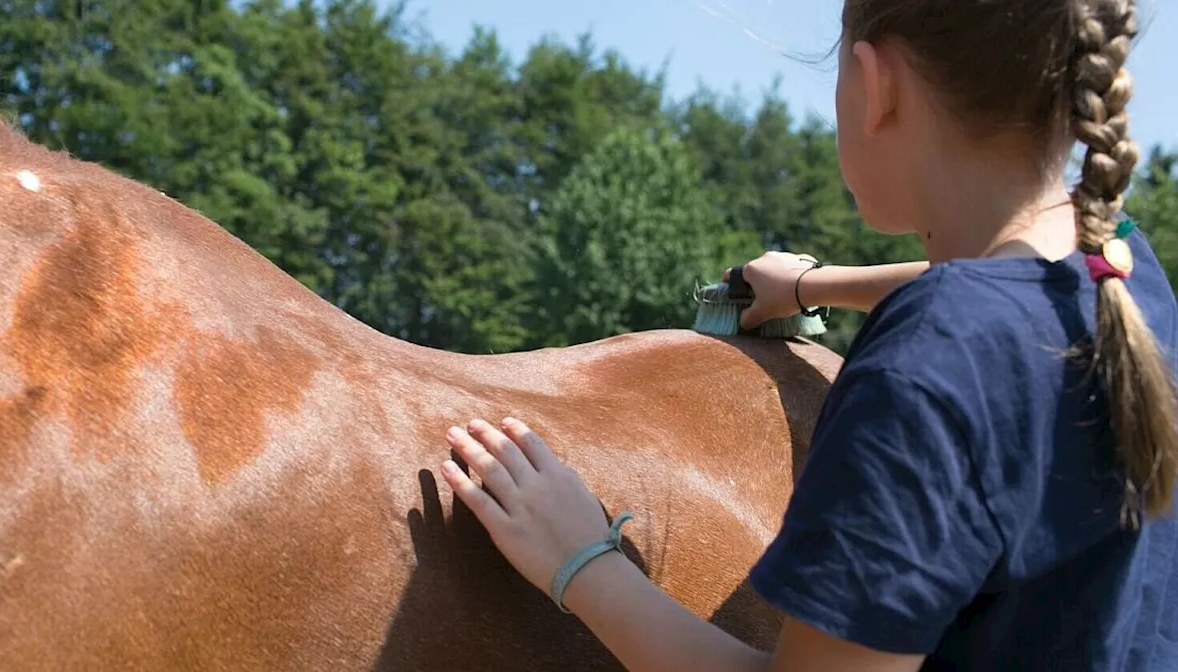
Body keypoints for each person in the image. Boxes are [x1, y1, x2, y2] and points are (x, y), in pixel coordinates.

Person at [436, 0, 1178, 669]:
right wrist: (812, 284)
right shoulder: (1124, 271)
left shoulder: (930, 366)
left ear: (873, 84)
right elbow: (1007, 291)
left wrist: (583, 560)